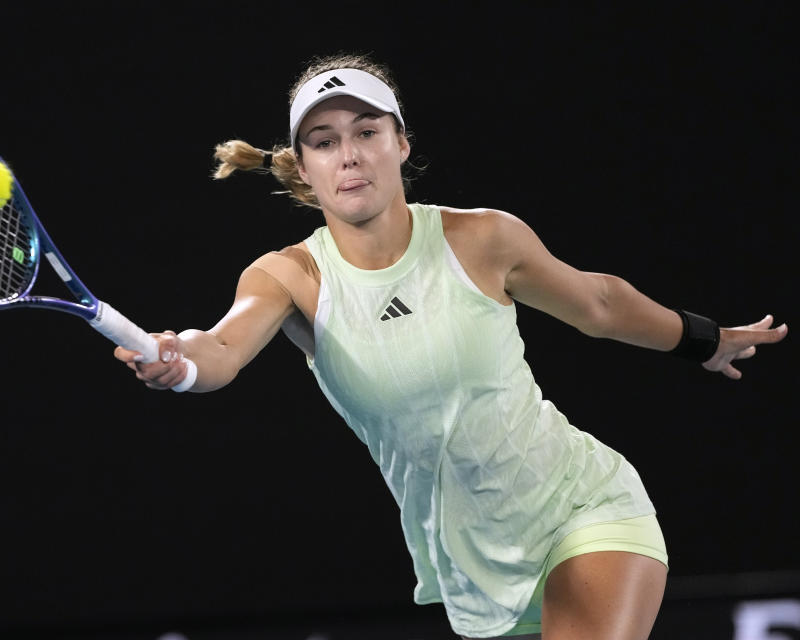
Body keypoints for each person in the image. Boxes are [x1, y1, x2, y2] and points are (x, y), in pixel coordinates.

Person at [114, 54, 788, 639]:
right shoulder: (291, 275)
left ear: (401, 143)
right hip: (472, 569)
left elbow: (599, 304)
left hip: (583, 510)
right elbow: (221, 349)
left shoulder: (483, 238)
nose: (348, 155)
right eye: (324, 141)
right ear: (303, 168)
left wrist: (702, 340)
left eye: (366, 132)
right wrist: (179, 362)